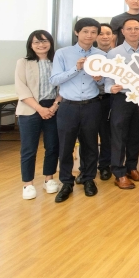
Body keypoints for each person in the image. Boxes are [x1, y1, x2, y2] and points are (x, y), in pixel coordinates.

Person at [49, 18, 105, 203]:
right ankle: (66, 182)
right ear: (77, 32)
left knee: (90, 145)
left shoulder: (101, 55)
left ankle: (88, 179)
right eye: (85, 31)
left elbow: (106, 82)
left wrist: (99, 79)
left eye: (93, 32)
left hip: (92, 105)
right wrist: (76, 68)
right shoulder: (63, 53)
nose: (89, 35)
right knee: (66, 146)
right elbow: (54, 80)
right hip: (68, 106)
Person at [105, 18, 139, 190]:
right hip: (122, 98)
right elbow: (108, 78)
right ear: (122, 32)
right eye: (129, 29)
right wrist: (110, 88)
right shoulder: (113, 53)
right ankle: (119, 173)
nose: (133, 31)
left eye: (136, 28)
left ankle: (132, 168)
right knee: (119, 135)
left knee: (136, 134)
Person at [15, 30, 62, 200]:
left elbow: (63, 86)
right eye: (36, 42)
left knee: (52, 145)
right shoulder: (23, 62)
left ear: (50, 43)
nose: (41, 45)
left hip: (53, 107)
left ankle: (49, 179)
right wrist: (40, 108)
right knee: (29, 148)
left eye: (44, 41)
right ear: (30, 44)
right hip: (30, 108)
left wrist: (54, 106)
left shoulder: (57, 61)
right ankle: (28, 184)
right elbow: (21, 88)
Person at [77, 23, 115, 184]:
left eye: (108, 33)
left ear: (113, 36)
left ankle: (105, 165)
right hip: (88, 101)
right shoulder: (87, 55)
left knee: (107, 134)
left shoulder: (115, 56)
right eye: (101, 33)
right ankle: (84, 168)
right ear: (95, 36)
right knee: (86, 136)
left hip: (108, 99)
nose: (105, 36)